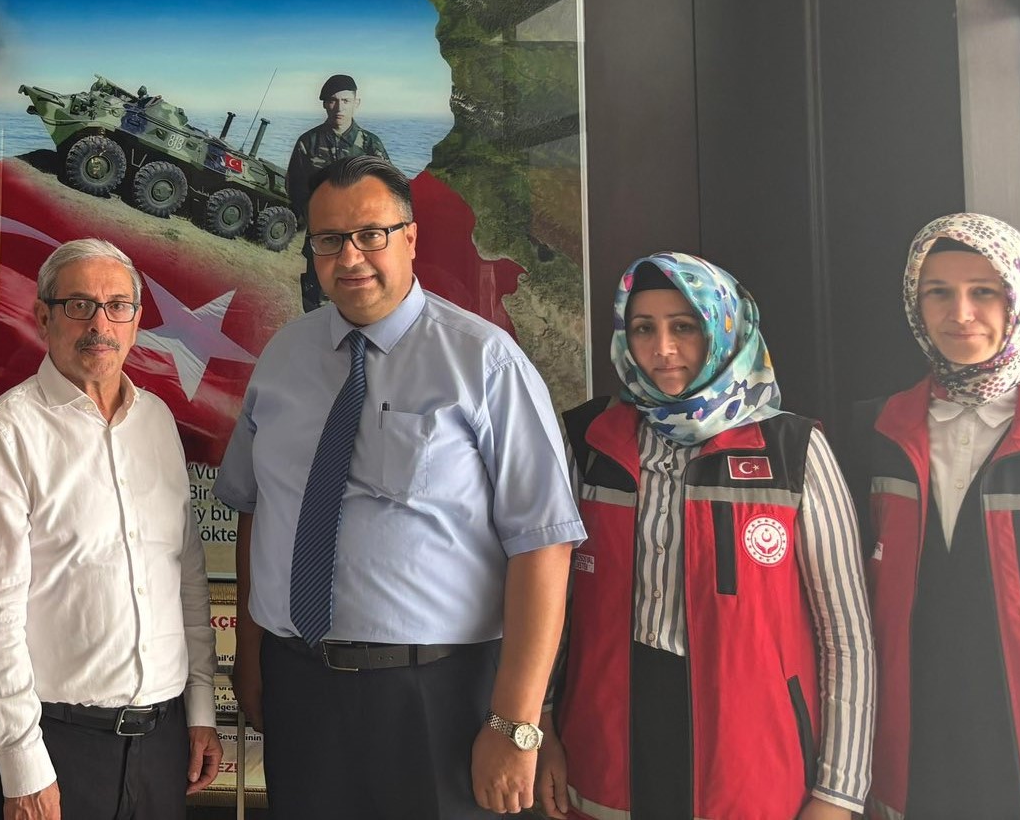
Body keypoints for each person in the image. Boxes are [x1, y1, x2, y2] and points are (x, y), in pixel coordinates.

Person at [217, 154, 582, 818]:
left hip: (438, 696)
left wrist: (515, 724)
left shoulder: (484, 362)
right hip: (299, 687)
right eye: (329, 239)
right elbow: (254, 509)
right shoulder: (283, 357)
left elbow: (543, 544)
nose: (350, 257)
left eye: (370, 234)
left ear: (410, 237)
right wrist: (250, 656)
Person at [536, 253, 874, 820]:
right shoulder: (588, 441)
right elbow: (550, 602)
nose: (663, 349)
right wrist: (539, 721)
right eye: (643, 328)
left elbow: (846, 636)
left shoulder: (793, 452)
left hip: (751, 762)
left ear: (723, 329)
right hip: (607, 744)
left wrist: (838, 794)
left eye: (684, 327)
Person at [0, 238, 220, 820]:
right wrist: (22, 763)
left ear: (137, 322)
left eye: (117, 306)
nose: (100, 324)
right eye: (78, 305)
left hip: (164, 743)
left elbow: (187, 578)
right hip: (57, 747)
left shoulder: (157, 422)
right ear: (43, 317)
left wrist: (200, 711)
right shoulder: (4, 435)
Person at [863, 213, 1020, 820]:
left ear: (1019, 298)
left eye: (984, 292)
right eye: (938, 292)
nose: (961, 313)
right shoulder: (873, 432)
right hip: (913, 739)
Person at [286, 75, 392, 313]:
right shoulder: (308, 142)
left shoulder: (371, 145)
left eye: (345, 101)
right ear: (325, 104)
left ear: (356, 103)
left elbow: (389, 192)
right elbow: (296, 189)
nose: (339, 107)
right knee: (317, 308)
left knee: (361, 304)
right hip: (323, 241)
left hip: (364, 244)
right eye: (333, 101)